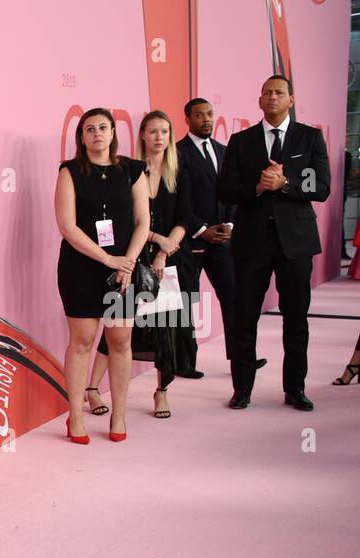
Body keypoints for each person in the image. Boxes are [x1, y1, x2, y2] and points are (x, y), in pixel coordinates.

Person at [218, 74, 331, 410]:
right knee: (244, 317)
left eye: (279, 93)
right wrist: (257, 186)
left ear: (290, 100)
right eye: (266, 93)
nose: (272, 97)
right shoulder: (241, 141)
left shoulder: (310, 139)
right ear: (259, 101)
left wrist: (283, 183)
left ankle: (294, 388)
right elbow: (225, 190)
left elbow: (320, 188)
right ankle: (242, 389)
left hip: (295, 243)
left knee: (295, 317)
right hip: (251, 242)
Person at [86, 111, 193, 419]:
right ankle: (92, 388)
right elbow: (130, 220)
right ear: (142, 135)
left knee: (165, 330)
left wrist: (164, 250)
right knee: (116, 329)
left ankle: (162, 393)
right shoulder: (128, 171)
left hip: (170, 262)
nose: (159, 137)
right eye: (153, 131)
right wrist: (156, 240)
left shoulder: (180, 170)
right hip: (131, 257)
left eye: (165, 131)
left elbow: (187, 216)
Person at [55, 108, 150, 443]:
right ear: (81, 136)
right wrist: (107, 258)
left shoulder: (134, 171)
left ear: (113, 133)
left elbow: (143, 223)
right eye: (89, 129)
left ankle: (119, 416)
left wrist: (126, 262)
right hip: (81, 267)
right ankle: (75, 417)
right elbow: (67, 226)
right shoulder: (70, 172)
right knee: (81, 342)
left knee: (120, 341)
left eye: (103, 128)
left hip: (122, 272)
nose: (97, 134)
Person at [174, 97, 257, 375]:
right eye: (199, 115)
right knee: (187, 301)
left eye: (209, 114)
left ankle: (241, 357)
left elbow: (234, 192)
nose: (206, 119)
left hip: (223, 240)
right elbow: (178, 202)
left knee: (234, 298)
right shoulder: (177, 154)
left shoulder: (224, 151)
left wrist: (230, 226)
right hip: (190, 241)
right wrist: (201, 230)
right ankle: (185, 363)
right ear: (187, 119)